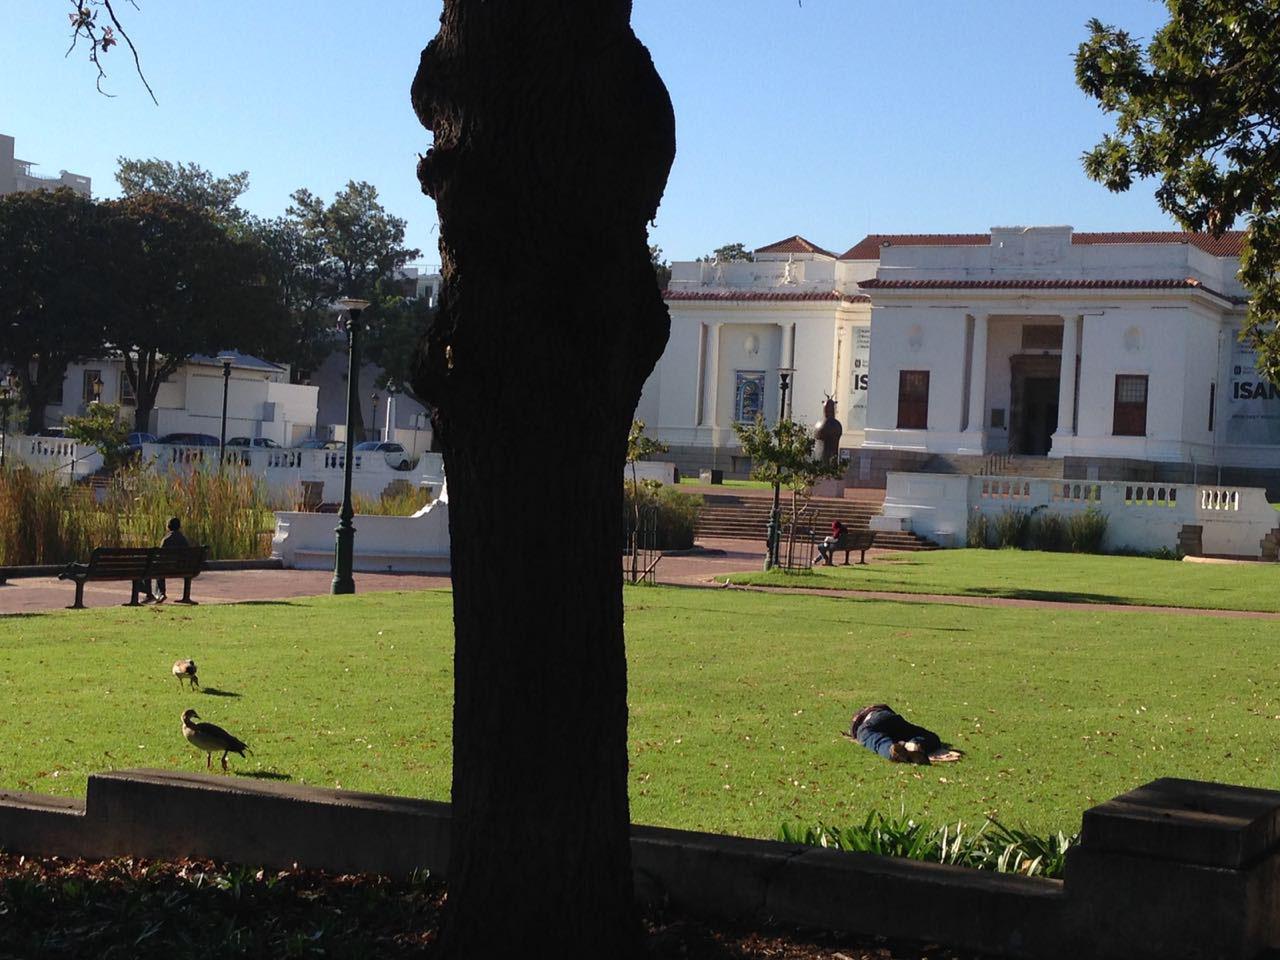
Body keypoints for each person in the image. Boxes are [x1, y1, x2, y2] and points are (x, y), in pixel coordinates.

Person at [847, 703, 942, 764]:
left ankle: (891, 750)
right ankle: (914, 744)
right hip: (889, 717)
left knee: (877, 741)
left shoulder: (857, 724)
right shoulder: (875, 707)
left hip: (867, 725)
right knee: (927, 735)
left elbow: (857, 733)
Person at [152, 516, 190, 604]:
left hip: (167, 568)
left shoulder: (166, 540)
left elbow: (160, 556)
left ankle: (160, 593)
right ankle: (186, 597)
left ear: (168, 527)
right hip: (184, 569)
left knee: (157, 568)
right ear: (179, 527)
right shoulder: (183, 539)